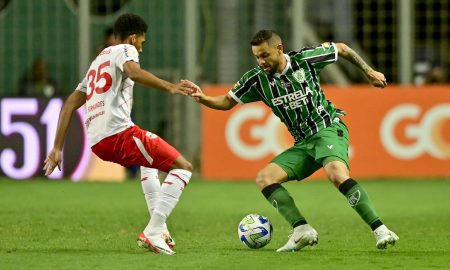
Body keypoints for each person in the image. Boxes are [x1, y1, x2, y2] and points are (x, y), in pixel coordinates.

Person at [188, 30, 399, 252]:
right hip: (303, 144)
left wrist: (369, 71)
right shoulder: (257, 79)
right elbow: (226, 101)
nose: (261, 61)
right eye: (257, 57)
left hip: (327, 128)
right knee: (265, 178)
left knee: (336, 174)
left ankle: (380, 230)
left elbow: (342, 48)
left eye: (265, 55)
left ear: (279, 49)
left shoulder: (305, 60)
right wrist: (203, 98)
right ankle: (302, 230)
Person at [43, 14, 195, 255]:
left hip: (98, 142)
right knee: (183, 166)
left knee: (149, 164)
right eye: (142, 43)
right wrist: (170, 86)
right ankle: (154, 230)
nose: (141, 49)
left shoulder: (98, 60)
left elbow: (71, 103)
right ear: (133, 38)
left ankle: (161, 229)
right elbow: (133, 72)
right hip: (118, 134)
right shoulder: (125, 49)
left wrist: (57, 147)